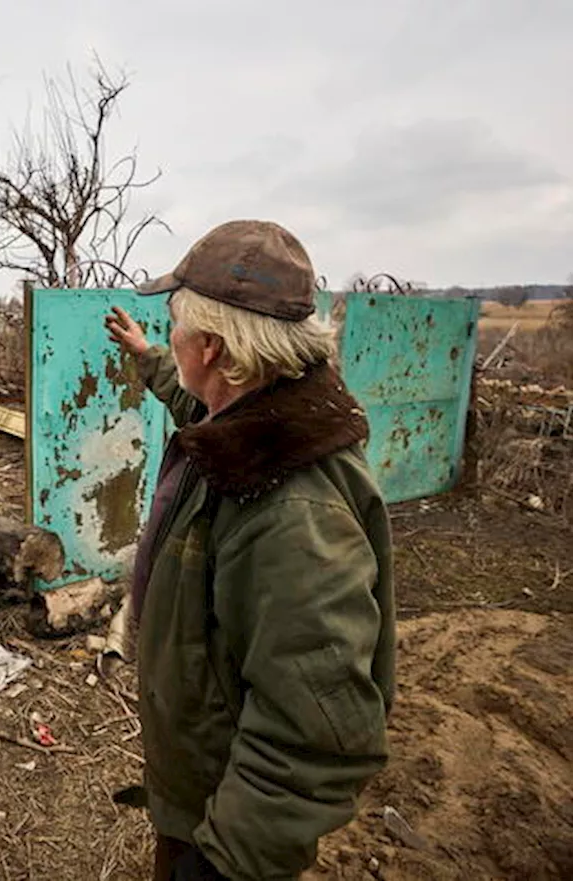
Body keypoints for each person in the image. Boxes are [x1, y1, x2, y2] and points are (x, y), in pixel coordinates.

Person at [104, 220, 396, 880]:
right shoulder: (252, 419)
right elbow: (195, 406)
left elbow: (315, 733)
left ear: (209, 345)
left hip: (222, 823)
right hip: (200, 785)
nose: (171, 333)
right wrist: (149, 354)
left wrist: (222, 862)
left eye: (175, 324)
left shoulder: (293, 509)